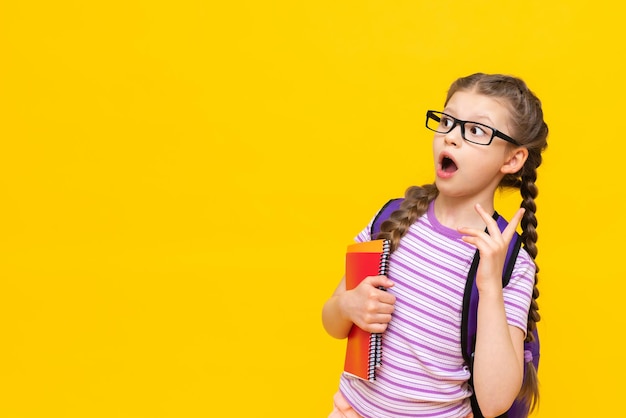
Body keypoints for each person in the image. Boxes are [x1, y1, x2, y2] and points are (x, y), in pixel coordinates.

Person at [322, 73, 548, 418]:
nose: (452, 138)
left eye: (475, 130)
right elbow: (332, 321)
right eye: (447, 121)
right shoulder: (391, 218)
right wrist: (349, 307)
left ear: (512, 159)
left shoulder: (508, 262)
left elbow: (494, 402)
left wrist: (489, 287)